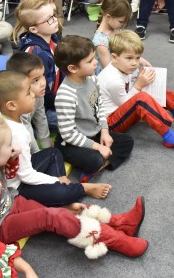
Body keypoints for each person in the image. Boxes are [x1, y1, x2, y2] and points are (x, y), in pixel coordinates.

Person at [0, 112, 148, 259]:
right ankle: (116, 241)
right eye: (9, 145)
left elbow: (9, 177)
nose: (13, 147)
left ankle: (120, 223)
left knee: (63, 212)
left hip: (12, 202)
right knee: (51, 216)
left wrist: (12, 157)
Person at [0, 70, 111, 204]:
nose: (33, 95)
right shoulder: (15, 133)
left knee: (53, 153)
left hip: (21, 169)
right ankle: (81, 189)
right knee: (60, 193)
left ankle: (64, 186)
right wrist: (56, 181)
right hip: (16, 187)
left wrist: (59, 178)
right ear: (12, 105)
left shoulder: (7, 116)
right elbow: (26, 176)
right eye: (28, 93)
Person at [55, 35, 135, 183]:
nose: (96, 62)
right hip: (71, 142)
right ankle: (98, 164)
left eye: (94, 57)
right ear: (72, 68)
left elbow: (100, 105)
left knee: (127, 141)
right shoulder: (65, 95)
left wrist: (104, 131)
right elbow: (68, 134)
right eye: (90, 61)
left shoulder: (92, 78)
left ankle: (100, 166)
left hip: (94, 132)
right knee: (94, 160)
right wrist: (97, 147)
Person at [98, 30, 174, 148]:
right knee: (141, 97)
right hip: (111, 124)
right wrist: (138, 85)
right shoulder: (112, 80)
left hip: (120, 108)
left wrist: (140, 62)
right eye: (129, 58)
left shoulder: (120, 65)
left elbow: (129, 62)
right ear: (114, 57)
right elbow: (125, 103)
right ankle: (168, 136)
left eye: (137, 58)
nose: (134, 63)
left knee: (148, 86)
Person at [14, 0, 63, 131]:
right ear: (34, 30)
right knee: (79, 123)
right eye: (49, 19)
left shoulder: (52, 37)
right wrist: (62, 104)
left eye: (54, 15)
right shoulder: (36, 53)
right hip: (44, 106)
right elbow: (43, 93)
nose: (55, 20)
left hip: (56, 92)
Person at [93, 0, 134, 73]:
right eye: (121, 22)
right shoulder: (100, 42)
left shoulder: (114, 29)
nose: (123, 25)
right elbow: (109, 70)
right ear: (108, 17)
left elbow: (124, 49)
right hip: (110, 76)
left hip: (120, 66)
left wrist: (138, 59)